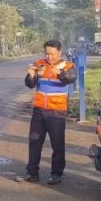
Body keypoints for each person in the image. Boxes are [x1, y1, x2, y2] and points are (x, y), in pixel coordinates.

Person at [19, 40, 76, 185]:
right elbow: (30, 84)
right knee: (34, 141)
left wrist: (60, 74)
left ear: (59, 53)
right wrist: (31, 75)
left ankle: (56, 173)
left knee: (57, 144)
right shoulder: (39, 64)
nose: (49, 57)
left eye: (52, 54)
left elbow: (70, 78)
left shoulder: (68, 66)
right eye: (47, 53)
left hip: (56, 112)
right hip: (39, 111)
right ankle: (32, 173)